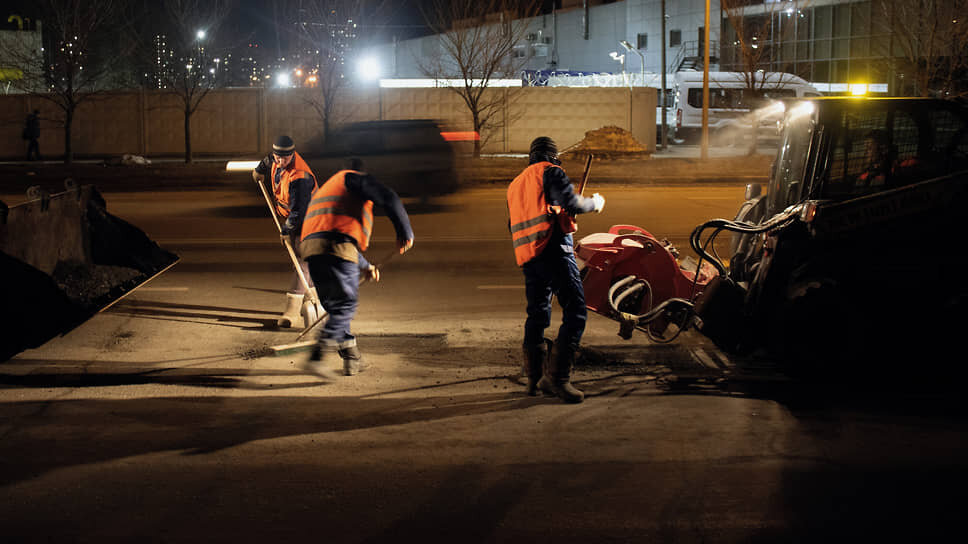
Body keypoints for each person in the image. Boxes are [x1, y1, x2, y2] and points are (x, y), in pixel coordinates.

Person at [507, 136, 605, 404]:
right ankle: (559, 379)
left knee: (537, 312)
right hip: (554, 250)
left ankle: (533, 378)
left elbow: (521, 219)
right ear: (553, 156)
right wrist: (594, 203)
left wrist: (557, 213)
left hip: (528, 256)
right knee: (576, 310)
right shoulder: (550, 172)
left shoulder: (516, 184)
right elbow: (572, 203)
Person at [299, 157, 414, 378]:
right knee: (344, 306)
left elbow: (333, 232)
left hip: (312, 251)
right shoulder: (354, 179)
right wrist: (405, 233)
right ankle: (317, 355)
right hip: (336, 247)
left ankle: (352, 358)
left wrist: (365, 266)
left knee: (337, 311)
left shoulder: (329, 190)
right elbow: (389, 197)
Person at [252, 135, 322, 328]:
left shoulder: (300, 176)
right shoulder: (276, 158)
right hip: (296, 217)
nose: (280, 161)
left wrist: (286, 230)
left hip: (312, 218)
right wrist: (259, 171)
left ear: (292, 155)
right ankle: (314, 300)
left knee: (303, 259)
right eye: (278, 157)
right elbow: (268, 160)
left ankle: (292, 311)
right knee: (301, 260)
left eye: (285, 158)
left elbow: (299, 209)